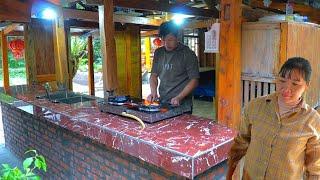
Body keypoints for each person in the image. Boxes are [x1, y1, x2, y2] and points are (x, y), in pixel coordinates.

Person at [227, 57, 320, 180]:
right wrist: (229, 174)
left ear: (306, 86)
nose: (286, 88)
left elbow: (315, 168)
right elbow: (241, 143)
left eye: (295, 84)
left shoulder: (312, 120)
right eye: (282, 80)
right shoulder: (255, 106)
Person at [147, 21, 199, 112]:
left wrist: (179, 97)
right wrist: (153, 92)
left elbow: (194, 80)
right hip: (163, 101)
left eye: (170, 39)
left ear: (177, 37)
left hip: (182, 104)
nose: (167, 43)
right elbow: (153, 75)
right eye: (163, 40)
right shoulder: (158, 53)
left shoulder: (187, 54)